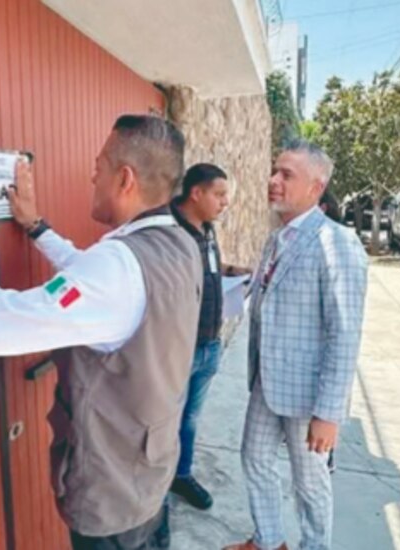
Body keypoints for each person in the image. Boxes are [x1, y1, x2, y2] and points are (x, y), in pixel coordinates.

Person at [0, 114, 202, 549]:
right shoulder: (179, 243)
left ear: (125, 179)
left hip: (111, 498)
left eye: (99, 164)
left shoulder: (118, 269)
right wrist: (36, 226)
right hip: (149, 474)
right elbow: (93, 284)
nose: (91, 174)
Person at [224, 141, 368, 550]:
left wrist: (329, 412)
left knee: (309, 481)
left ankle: (313, 546)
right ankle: (269, 541)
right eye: (274, 171)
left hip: (308, 394)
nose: (273, 180)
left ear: (316, 187)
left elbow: (345, 332)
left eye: (286, 174)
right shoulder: (278, 238)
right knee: (254, 459)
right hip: (267, 382)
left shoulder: (336, 243)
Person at [167, 163, 248, 511]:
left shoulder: (207, 230)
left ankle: (181, 476)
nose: (225, 202)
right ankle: (155, 493)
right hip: (179, 349)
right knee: (165, 420)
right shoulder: (169, 232)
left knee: (190, 418)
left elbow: (209, 266)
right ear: (195, 193)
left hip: (210, 344)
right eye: (219, 194)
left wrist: (232, 271)